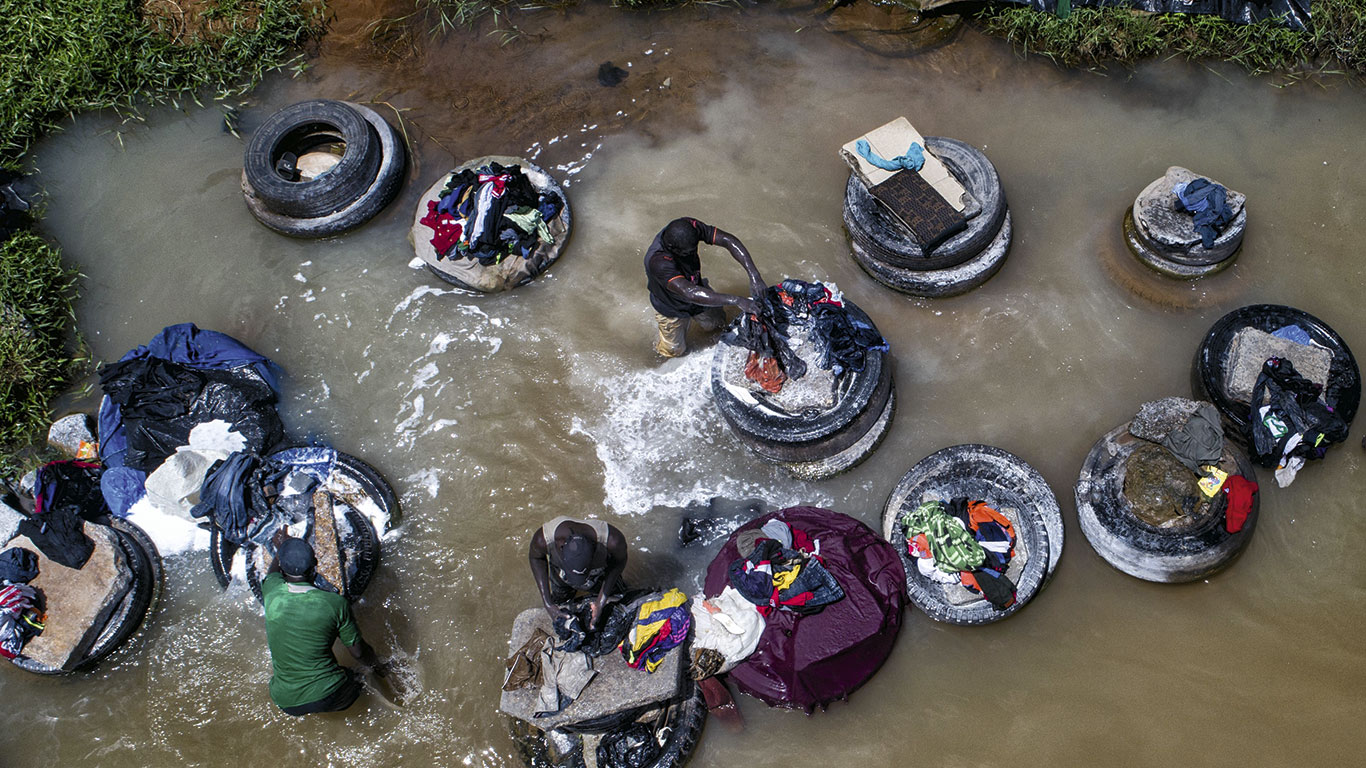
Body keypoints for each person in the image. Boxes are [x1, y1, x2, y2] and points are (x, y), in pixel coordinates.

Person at [261, 534, 385, 716]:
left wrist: (283, 549)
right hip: (330, 693)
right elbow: (358, 652)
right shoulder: (333, 603)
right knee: (360, 676)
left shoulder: (271, 592)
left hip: (285, 702)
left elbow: (272, 572)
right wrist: (379, 667)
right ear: (315, 566)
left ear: (283, 570)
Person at [644, 217, 767, 358]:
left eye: (693, 249)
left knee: (717, 324)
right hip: (672, 307)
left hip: (697, 290)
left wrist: (754, 275)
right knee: (674, 351)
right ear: (672, 249)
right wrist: (737, 300)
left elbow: (727, 240)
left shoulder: (690, 227)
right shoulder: (658, 261)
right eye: (687, 252)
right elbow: (690, 293)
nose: (691, 253)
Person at [529, 517, 627, 631]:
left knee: (620, 598)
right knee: (560, 603)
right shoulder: (543, 539)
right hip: (561, 576)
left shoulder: (613, 541)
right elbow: (535, 558)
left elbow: (619, 562)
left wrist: (600, 602)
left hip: (599, 575)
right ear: (560, 547)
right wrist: (548, 604)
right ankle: (564, 592)